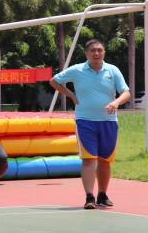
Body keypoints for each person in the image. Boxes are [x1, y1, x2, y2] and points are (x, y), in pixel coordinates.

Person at [50, 39, 130, 210]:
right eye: (92, 50)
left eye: (99, 50)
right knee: (89, 159)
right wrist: (71, 95)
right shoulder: (77, 70)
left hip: (109, 122)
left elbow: (126, 92)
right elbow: (54, 81)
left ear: (104, 52)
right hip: (85, 121)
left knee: (105, 160)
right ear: (86, 53)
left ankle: (102, 195)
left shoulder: (113, 70)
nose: (96, 53)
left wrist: (116, 103)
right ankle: (89, 197)